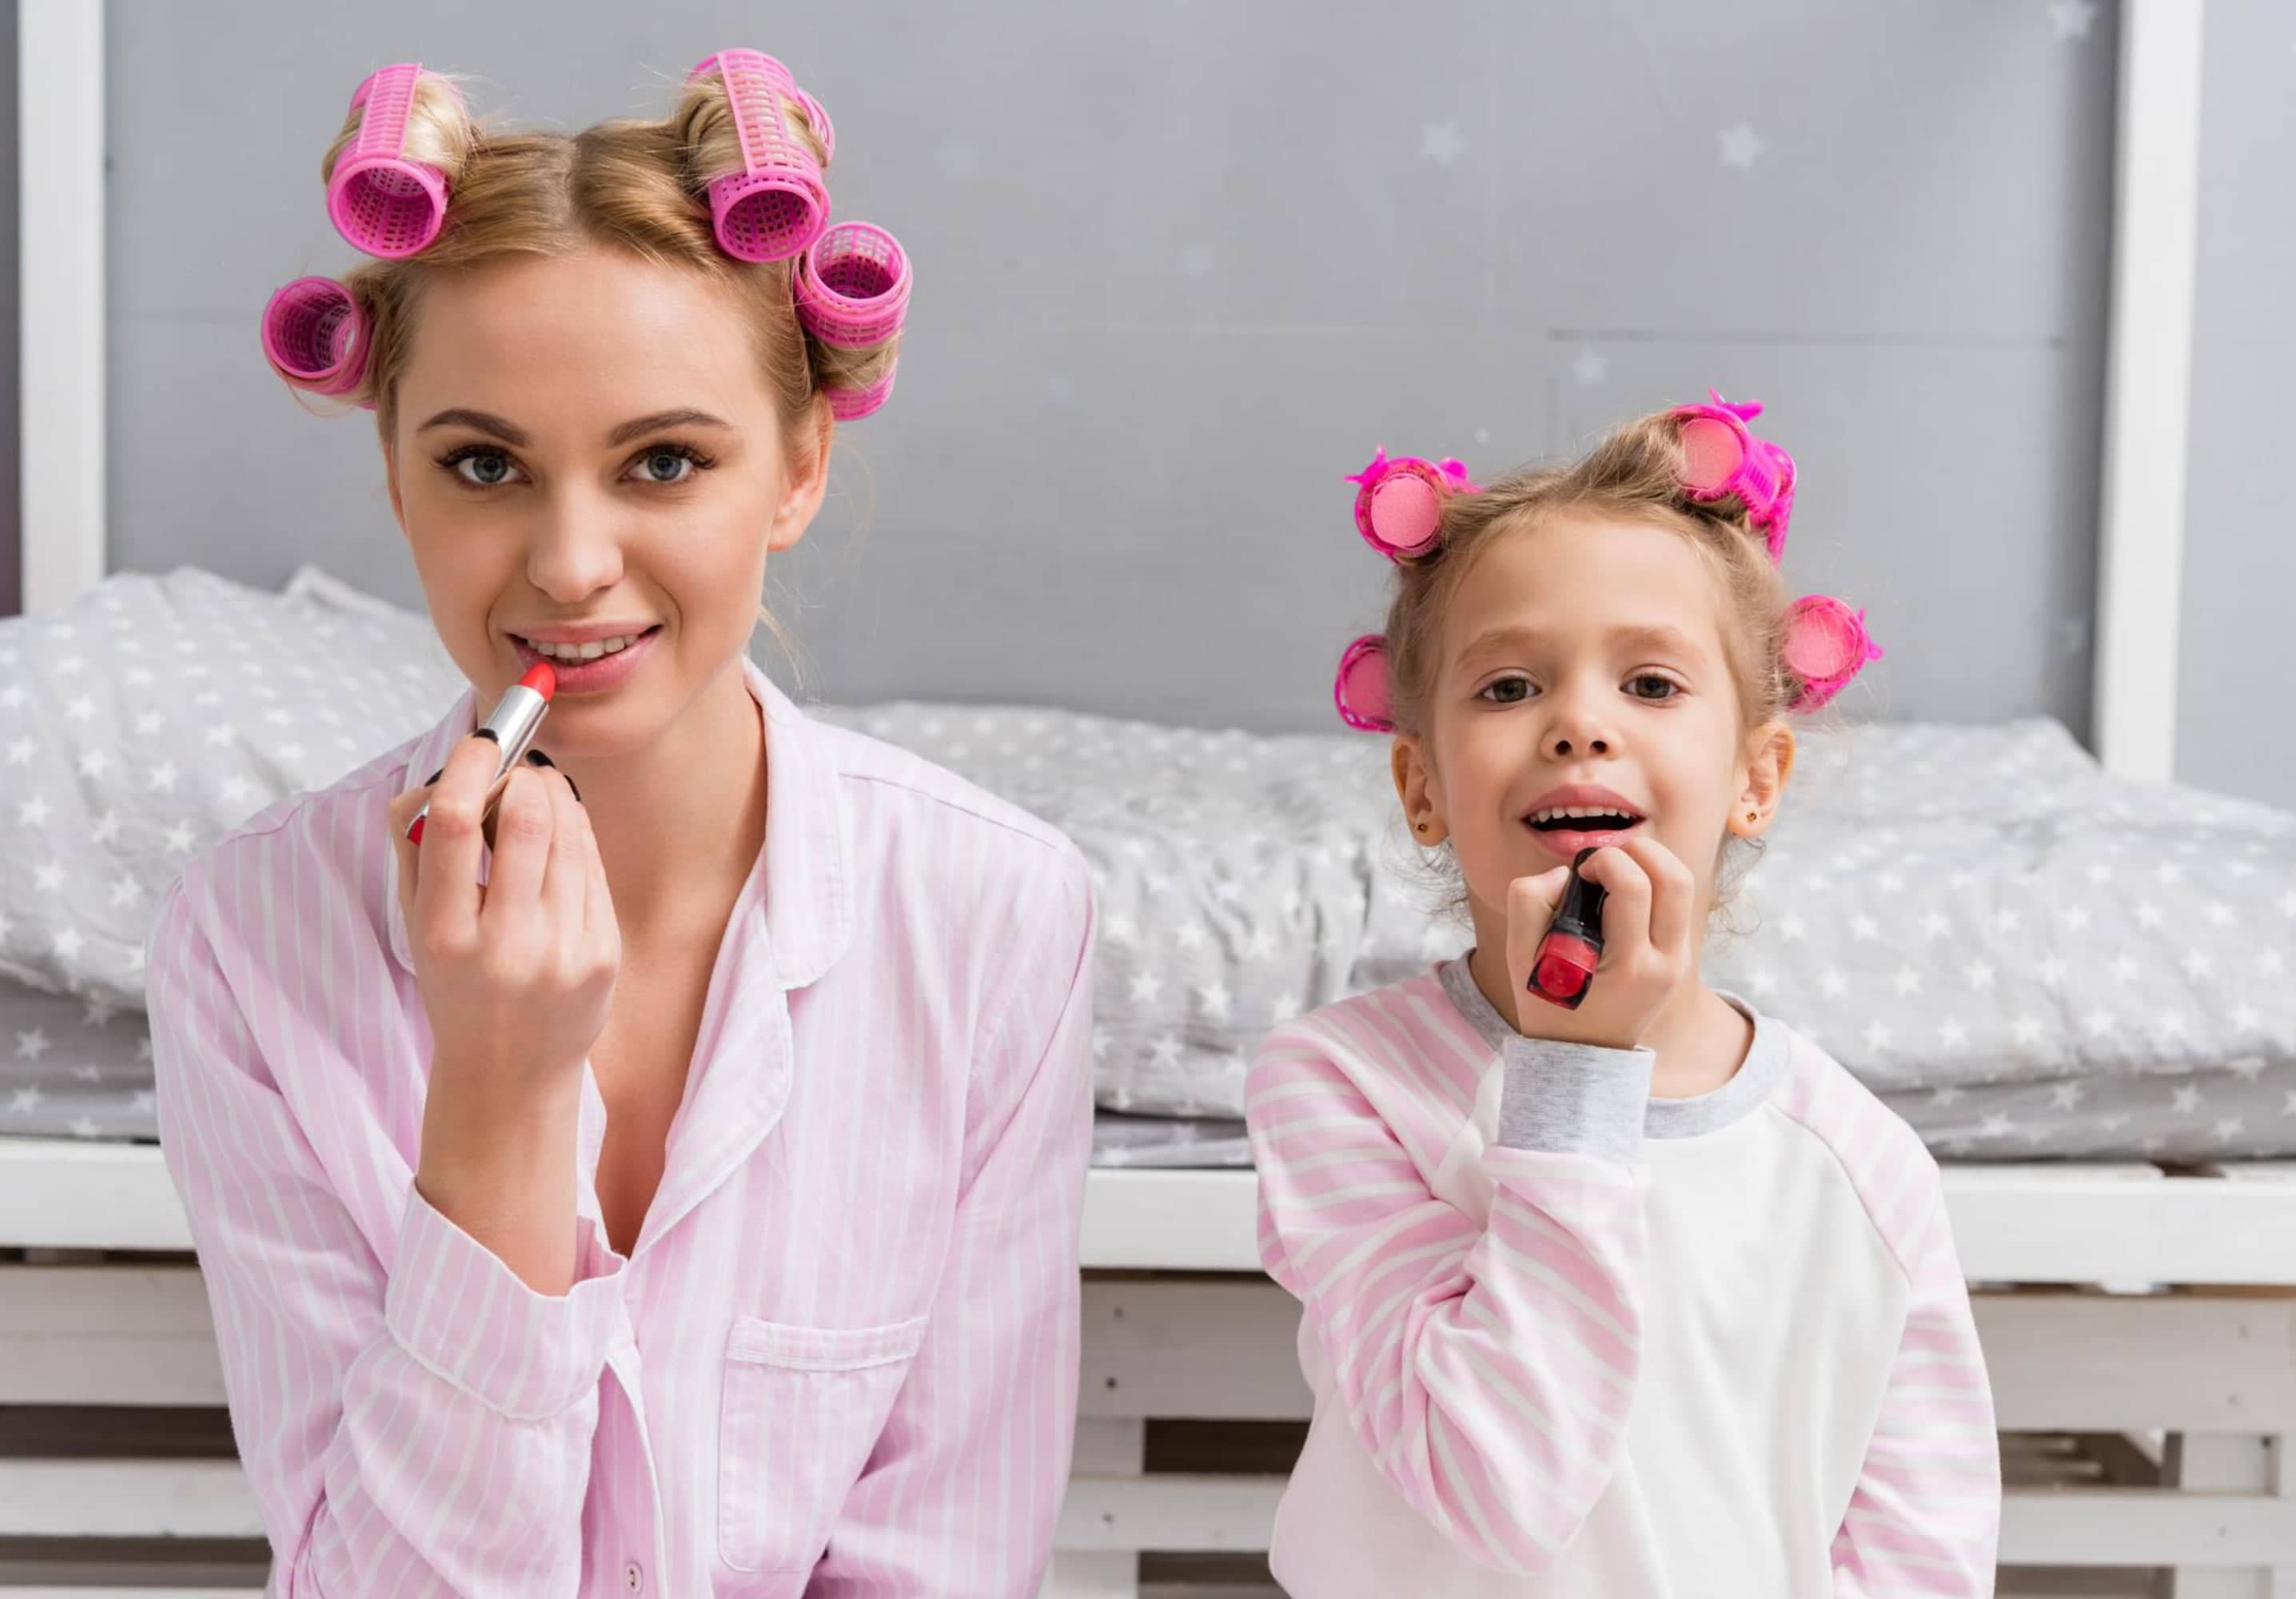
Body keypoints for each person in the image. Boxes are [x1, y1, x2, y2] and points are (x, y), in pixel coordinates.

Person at [147, 51, 1095, 1597]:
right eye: (482, 464)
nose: (572, 561)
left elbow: (942, 1561)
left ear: (797, 467)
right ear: (397, 482)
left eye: (665, 461)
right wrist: (503, 1102)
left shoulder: (995, 914)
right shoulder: (250, 940)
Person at [1248, 400, 1999, 1595]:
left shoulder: (1859, 1163)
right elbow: (1496, 1482)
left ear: (1756, 777)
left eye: (1650, 683)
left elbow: (1922, 1547)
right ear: (1422, 785)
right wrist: (1574, 1079)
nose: (1580, 725)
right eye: (1506, 690)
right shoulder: (1342, 1089)